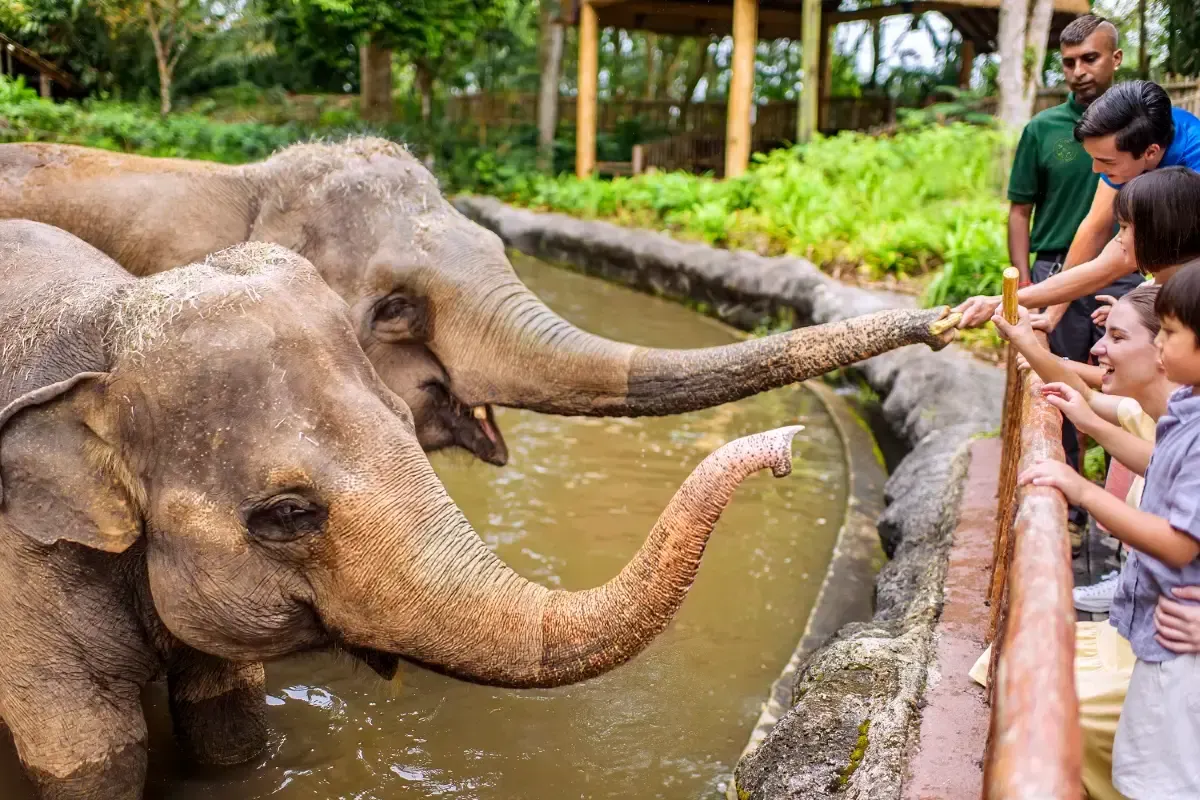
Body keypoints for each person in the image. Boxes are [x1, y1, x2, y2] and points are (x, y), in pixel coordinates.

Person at [1019, 265, 1200, 799]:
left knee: (1160, 782)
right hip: (1161, 631)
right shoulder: (1185, 409)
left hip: (1178, 642)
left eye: (1169, 332)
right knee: (1139, 770)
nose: (1162, 345)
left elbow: (1179, 540)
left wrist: (1082, 490)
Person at [1004, 15, 1134, 527]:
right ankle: (1069, 515)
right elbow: (1019, 211)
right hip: (1054, 267)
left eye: (1091, 59)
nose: (1079, 71)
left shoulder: (1141, 127)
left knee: (1121, 384)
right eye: (1069, 62)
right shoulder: (1042, 130)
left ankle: (1123, 505)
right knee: (1052, 390)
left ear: (1115, 59)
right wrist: (1028, 283)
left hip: (1121, 269)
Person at [956, 81, 1200, 329]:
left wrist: (1001, 302)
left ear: (1150, 152)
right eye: (1093, 159)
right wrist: (1052, 314)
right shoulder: (1131, 141)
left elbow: (1118, 260)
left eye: (1105, 161)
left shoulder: (1191, 168)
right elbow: (1094, 228)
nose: (1096, 170)